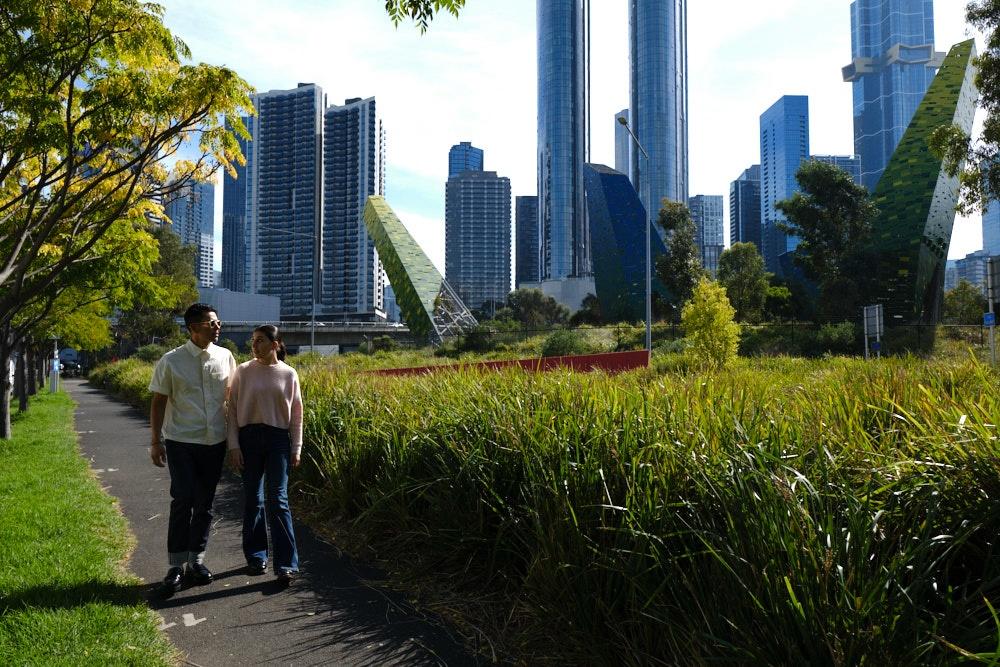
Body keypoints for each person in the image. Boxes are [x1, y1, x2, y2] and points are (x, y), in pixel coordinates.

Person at [148, 303, 236, 597]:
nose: (218, 326)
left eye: (218, 321)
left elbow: (232, 399)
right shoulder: (171, 360)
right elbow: (159, 401)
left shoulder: (226, 357)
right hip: (182, 441)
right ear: (194, 328)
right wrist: (155, 441)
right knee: (182, 499)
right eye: (212, 322)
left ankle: (196, 562)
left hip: (215, 442)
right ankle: (175, 566)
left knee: (205, 504)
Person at [226, 324, 303, 582]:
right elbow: (232, 410)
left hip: (278, 439)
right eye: (253, 340)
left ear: (275, 344)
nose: (254, 345)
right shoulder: (244, 371)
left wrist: (297, 447)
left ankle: (286, 564)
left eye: (260, 340)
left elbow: (297, 415)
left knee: (279, 501)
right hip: (248, 439)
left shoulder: (289, 374)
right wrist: (234, 445)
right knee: (253, 500)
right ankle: (257, 557)